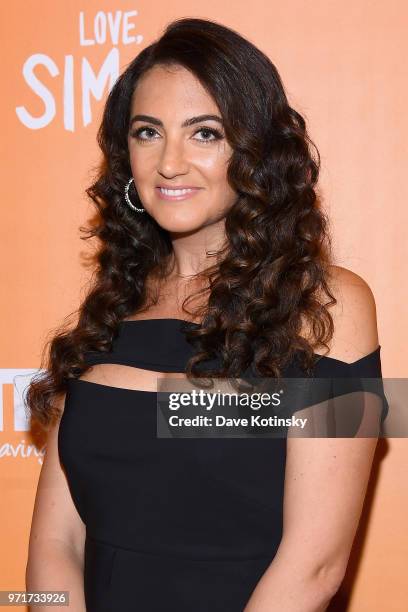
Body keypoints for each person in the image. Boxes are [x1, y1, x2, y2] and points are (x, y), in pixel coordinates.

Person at [25, 17, 388, 612]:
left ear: (255, 150)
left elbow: (315, 565)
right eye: (148, 132)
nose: (169, 162)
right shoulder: (109, 309)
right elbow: (54, 544)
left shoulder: (332, 306)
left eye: (204, 134)